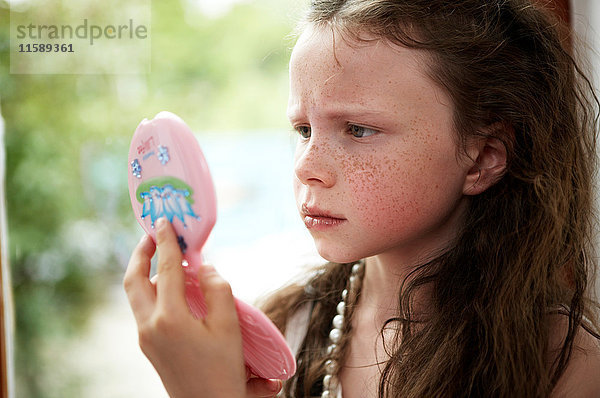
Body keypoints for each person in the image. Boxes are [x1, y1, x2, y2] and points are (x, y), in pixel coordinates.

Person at [124, 0, 600, 396]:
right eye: (303, 129)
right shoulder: (286, 331)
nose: (306, 166)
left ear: (483, 157)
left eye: (358, 129)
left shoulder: (565, 364)